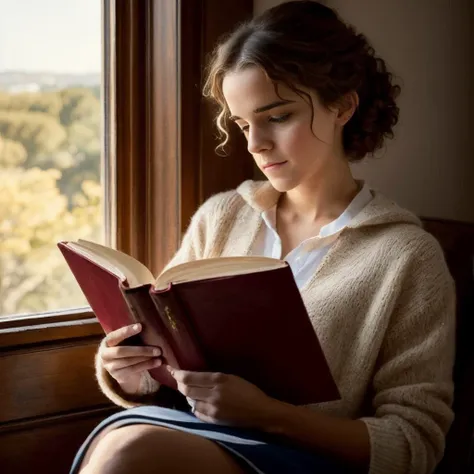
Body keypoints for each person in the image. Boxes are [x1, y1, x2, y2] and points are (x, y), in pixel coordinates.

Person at [71, 2, 456, 474]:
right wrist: (134, 373)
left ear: (343, 106)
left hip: (304, 460)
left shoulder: (405, 257)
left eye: (277, 117)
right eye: (243, 124)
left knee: (129, 453)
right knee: (124, 446)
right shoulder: (222, 217)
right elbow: (175, 366)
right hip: (196, 440)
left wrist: (269, 416)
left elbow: (415, 444)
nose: (255, 144)